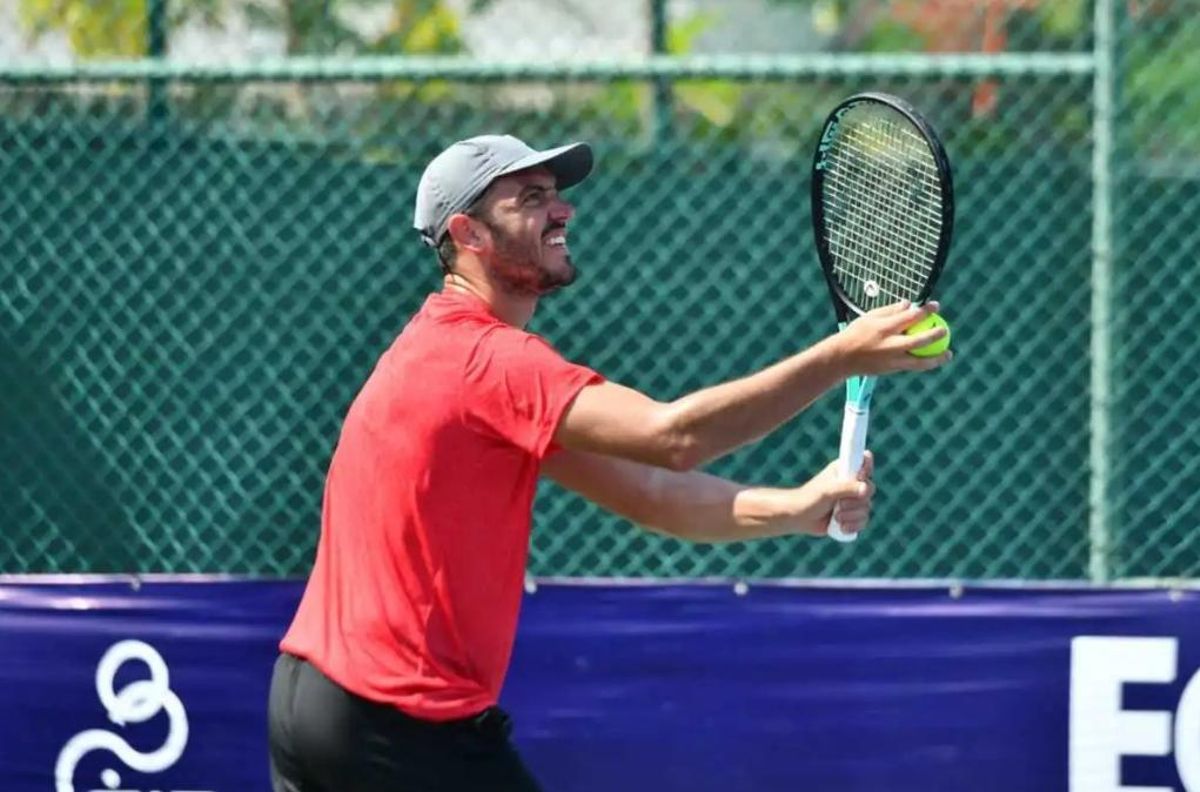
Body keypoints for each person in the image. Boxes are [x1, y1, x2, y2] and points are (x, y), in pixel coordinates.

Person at [266, 133, 950, 792]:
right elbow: (674, 437)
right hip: (397, 719)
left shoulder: (446, 357)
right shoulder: (489, 362)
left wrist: (794, 509)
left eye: (555, 194)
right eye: (529, 198)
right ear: (467, 234)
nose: (561, 208)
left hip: (312, 702)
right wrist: (839, 357)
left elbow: (651, 491)